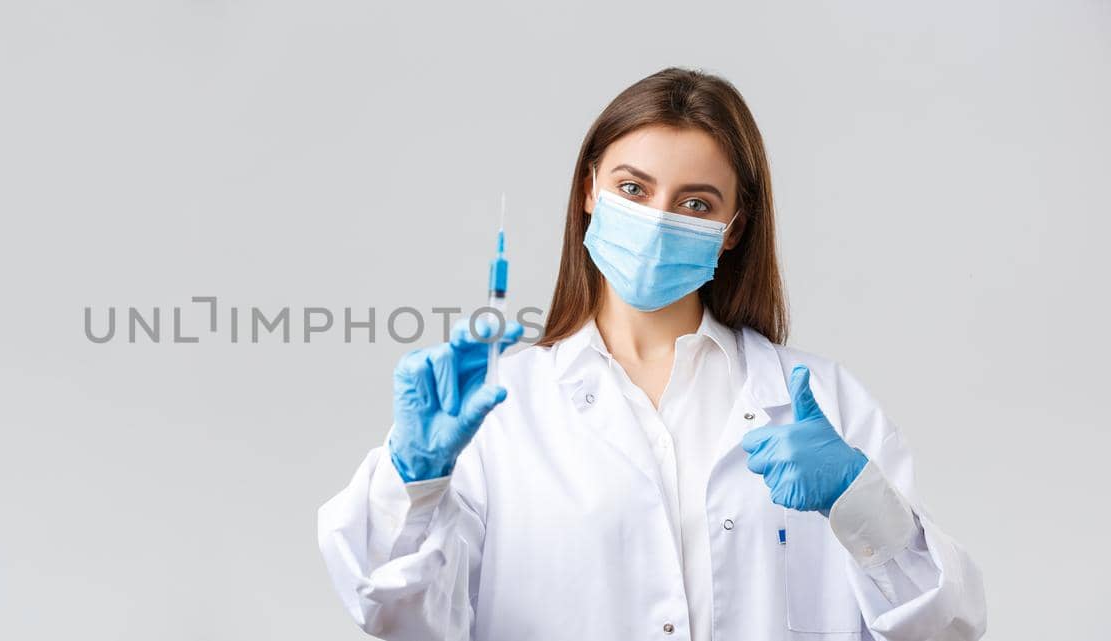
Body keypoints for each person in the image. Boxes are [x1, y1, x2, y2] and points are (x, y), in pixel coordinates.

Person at [315, 68, 986, 641]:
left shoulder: (821, 403)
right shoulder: (496, 408)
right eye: (633, 189)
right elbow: (394, 610)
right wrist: (417, 476)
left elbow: (948, 626)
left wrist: (856, 499)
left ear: (733, 229)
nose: (660, 219)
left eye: (696, 202)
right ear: (588, 193)